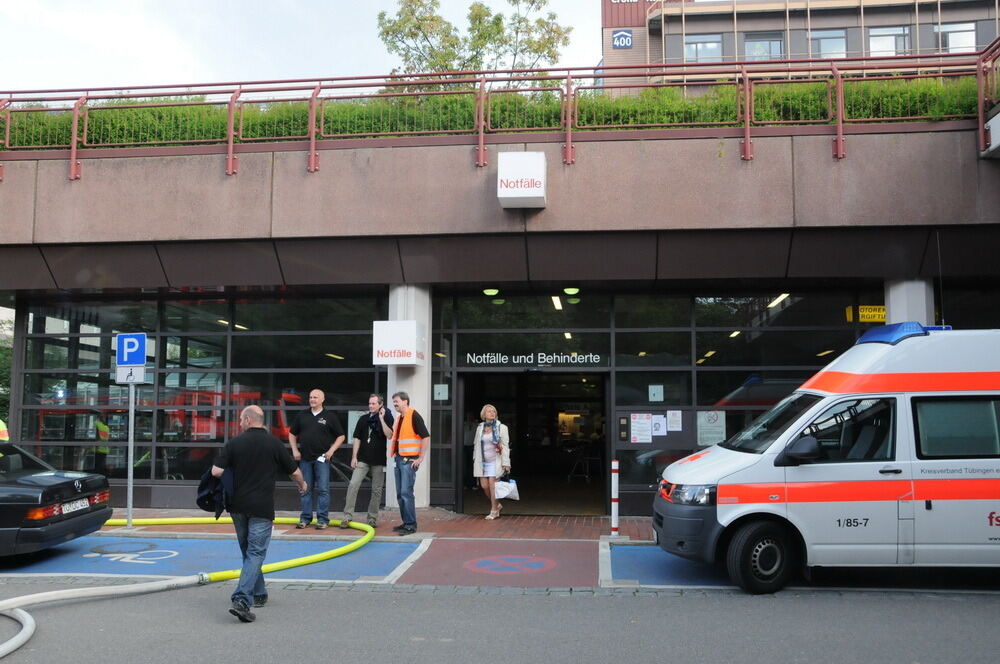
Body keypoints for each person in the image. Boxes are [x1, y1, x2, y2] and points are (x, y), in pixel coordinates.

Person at [212, 405, 307, 623]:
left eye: (240, 420)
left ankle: (260, 593)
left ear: (247, 420)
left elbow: (216, 471)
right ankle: (242, 599)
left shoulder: (235, 443)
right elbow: (294, 471)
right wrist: (302, 485)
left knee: (249, 552)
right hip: (262, 508)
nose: (239, 423)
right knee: (255, 553)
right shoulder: (273, 443)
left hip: (237, 506)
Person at [288, 389, 345, 529]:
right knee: (305, 489)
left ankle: (323, 519)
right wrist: (295, 450)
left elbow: (341, 436)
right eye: (310, 397)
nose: (312, 399)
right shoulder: (302, 415)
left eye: (315, 397)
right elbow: (291, 434)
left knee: (323, 489)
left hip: (322, 460)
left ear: (322, 399)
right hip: (305, 459)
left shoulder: (329, 416)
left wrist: (331, 451)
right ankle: (305, 518)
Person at [340, 393, 394, 529]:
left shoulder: (387, 417)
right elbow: (357, 438)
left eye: (373, 403)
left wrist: (381, 419)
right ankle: (347, 516)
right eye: (369, 403)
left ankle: (372, 518)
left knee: (376, 490)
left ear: (381, 404)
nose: (370, 406)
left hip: (379, 460)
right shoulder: (363, 419)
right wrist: (354, 456)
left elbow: (390, 435)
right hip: (363, 459)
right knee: (353, 484)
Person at [388, 391, 430, 535]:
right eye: (393, 401)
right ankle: (406, 522)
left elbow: (425, 436)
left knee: (406, 493)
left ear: (405, 401)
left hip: (408, 461)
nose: (394, 404)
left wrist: (420, 458)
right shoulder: (399, 418)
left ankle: (411, 525)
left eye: (397, 401)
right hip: (399, 459)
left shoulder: (414, 415)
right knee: (400, 494)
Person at [471, 404, 511, 520]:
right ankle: (497, 505)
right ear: (484, 414)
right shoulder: (480, 427)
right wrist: (474, 459)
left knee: (493, 486)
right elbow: (476, 445)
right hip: (483, 462)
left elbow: (505, 446)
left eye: (494, 411)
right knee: (484, 486)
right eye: (489, 411)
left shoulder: (501, 427)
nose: (492, 413)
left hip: (496, 461)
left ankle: (493, 510)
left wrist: (506, 462)